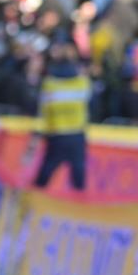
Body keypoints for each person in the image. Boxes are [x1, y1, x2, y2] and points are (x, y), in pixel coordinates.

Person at [32, 36, 91, 191]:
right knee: (79, 179)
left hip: (56, 135)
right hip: (76, 135)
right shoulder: (82, 82)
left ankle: (31, 204)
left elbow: (43, 113)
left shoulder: (49, 84)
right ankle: (78, 208)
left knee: (43, 177)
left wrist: (39, 134)